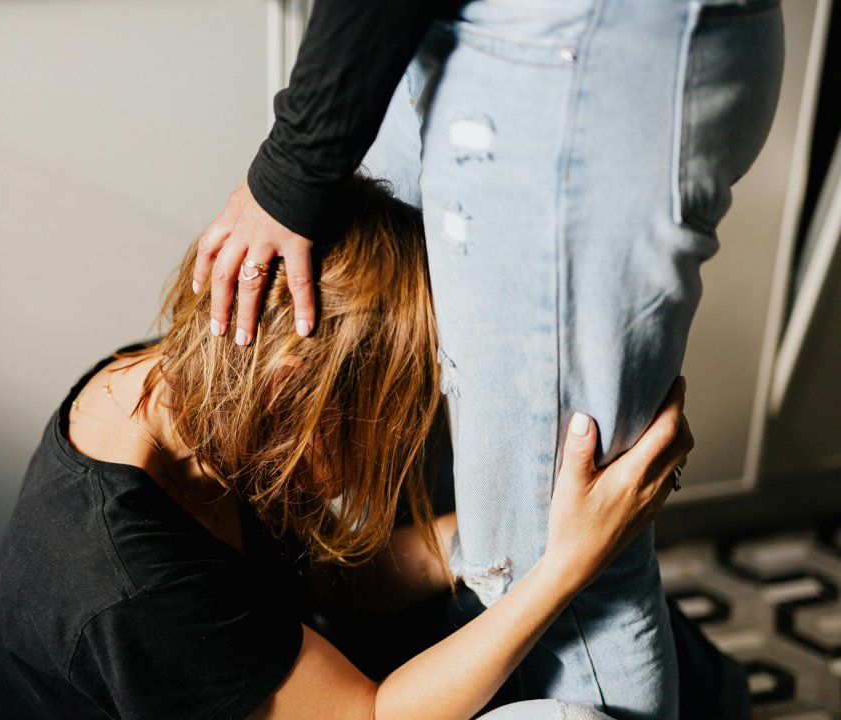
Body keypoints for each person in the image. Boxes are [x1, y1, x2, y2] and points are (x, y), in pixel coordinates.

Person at [193, 1, 783, 715]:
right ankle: (711, 696)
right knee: (441, 465)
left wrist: (295, 161)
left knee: (565, 550)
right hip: (428, 33)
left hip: (564, 45)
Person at [0, 176, 695, 719]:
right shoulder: (132, 588)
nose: (401, 442)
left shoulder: (190, 383)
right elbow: (369, 714)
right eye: (391, 417)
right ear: (288, 393)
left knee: (653, 639)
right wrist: (566, 566)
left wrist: (515, 536)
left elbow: (326, 580)